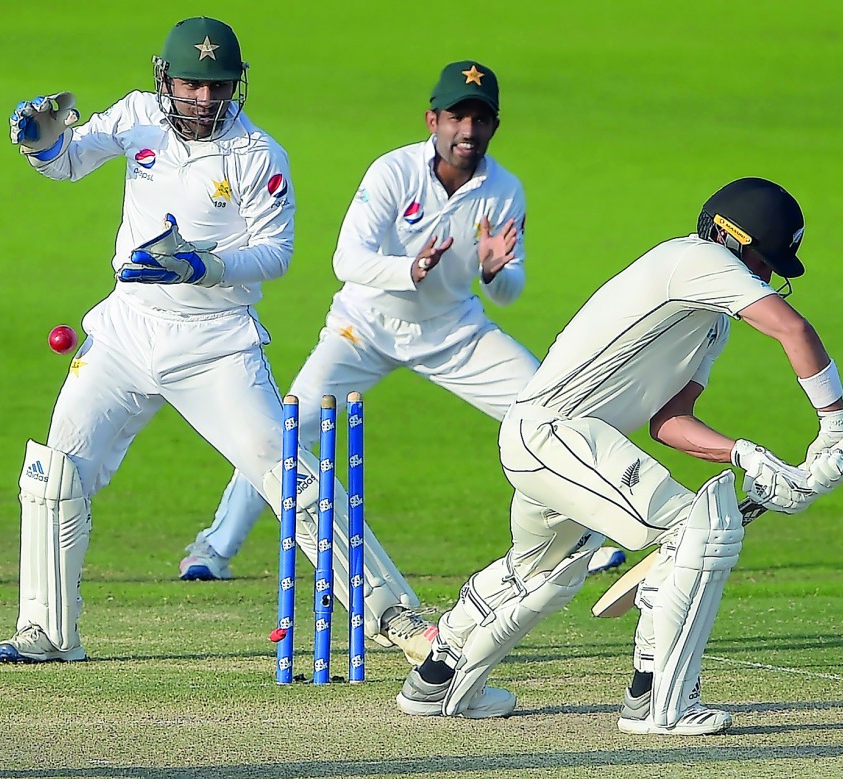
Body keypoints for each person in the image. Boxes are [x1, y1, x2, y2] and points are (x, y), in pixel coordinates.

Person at [0, 17, 431, 665]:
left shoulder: (258, 155)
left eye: (218, 87)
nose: (204, 99)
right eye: (192, 85)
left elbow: (276, 254)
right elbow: (67, 163)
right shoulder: (137, 116)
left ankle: (394, 614)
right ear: (165, 79)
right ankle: (49, 630)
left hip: (215, 341)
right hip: (127, 329)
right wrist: (40, 142)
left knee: (290, 477)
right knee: (57, 472)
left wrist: (204, 266)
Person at [394, 177, 843, 731]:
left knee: (543, 573)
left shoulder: (711, 322)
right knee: (702, 528)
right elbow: (793, 329)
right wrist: (836, 425)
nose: (764, 277)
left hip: (567, 447)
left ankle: (437, 677)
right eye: (763, 260)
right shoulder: (695, 259)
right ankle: (657, 700)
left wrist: (746, 455)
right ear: (731, 238)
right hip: (558, 434)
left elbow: (669, 421)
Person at [177, 59, 627, 584]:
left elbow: (507, 292)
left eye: (480, 119)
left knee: (546, 413)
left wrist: (491, 270)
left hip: (454, 332)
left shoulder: (505, 192)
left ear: (494, 127)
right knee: (289, 430)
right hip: (362, 329)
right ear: (432, 120)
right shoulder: (393, 172)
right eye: (457, 117)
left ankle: (586, 539)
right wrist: (409, 269)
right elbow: (346, 260)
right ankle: (214, 549)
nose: (468, 130)